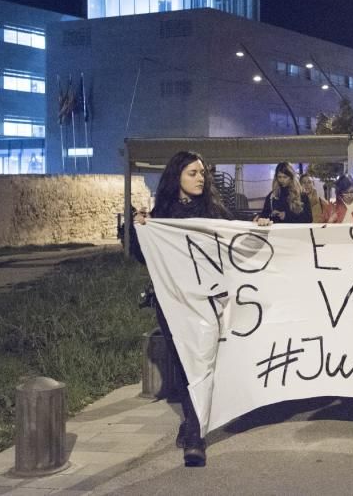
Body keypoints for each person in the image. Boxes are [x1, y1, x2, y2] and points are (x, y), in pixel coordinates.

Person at [131, 150, 231, 468]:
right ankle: (192, 423)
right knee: (185, 364)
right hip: (172, 302)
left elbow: (236, 239)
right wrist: (140, 230)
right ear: (177, 178)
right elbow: (144, 257)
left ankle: (194, 436)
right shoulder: (161, 215)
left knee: (199, 361)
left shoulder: (213, 211)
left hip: (206, 301)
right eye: (193, 173)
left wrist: (260, 226)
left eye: (202, 173)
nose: (200, 178)